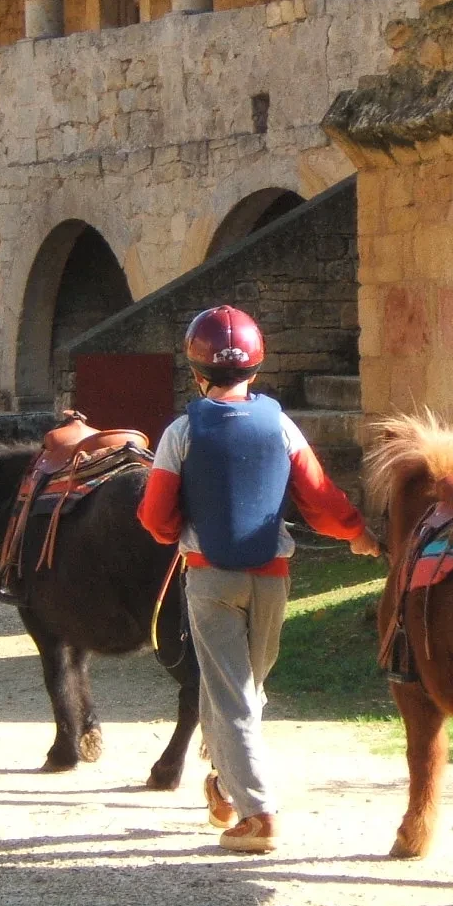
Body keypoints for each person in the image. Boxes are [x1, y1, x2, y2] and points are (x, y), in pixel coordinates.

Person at [138, 306, 379, 853]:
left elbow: (155, 518)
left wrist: (178, 530)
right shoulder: (282, 424)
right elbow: (320, 498)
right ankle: (225, 787)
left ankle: (259, 813)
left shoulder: (180, 432)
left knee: (234, 695)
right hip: (273, 578)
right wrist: (357, 533)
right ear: (257, 365)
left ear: (196, 369)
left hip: (210, 578)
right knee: (245, 691)